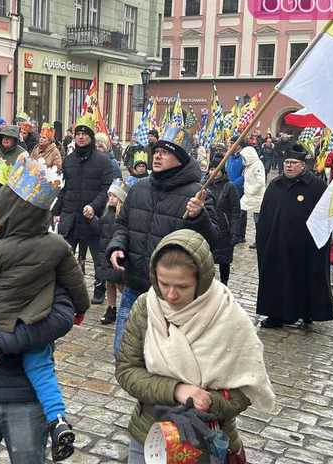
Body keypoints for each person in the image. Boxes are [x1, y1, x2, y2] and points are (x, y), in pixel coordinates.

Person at [0, 157, 90, 461]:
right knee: (40, 369)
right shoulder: (55, 246)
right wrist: (82, 309)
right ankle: (58, 420)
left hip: (22, 397)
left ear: (5, 212)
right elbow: (78, 290)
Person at [115, 229, 275, 464]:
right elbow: (127, 370)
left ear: (201, 281)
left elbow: (247, 389)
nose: (170, 294)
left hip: (209, 438)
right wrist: (177, 390)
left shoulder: (229, 316)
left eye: (181, 286)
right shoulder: (146, 307)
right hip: (150, 432)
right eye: (163, 283)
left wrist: (209, 402)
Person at [107, 125, 218, 355]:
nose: (157, 155)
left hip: (172, 296)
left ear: (180, 159)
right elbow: (122, 225)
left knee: (164, 360)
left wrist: (199, 216)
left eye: (166, 152)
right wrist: (117, 246)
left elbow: (214, 241)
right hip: (135, 286)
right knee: (123, 353)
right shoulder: (139, 188)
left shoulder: (198, 194)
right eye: (156, 151)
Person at [255, 144, 333, 329]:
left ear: (302, 165)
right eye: (287, 163)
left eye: (293, 163)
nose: (289, 166)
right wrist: (263, 239)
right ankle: (276, 315)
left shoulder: (316, 186)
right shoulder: (275, 185)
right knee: (277, 279)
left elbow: (324, 216)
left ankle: (307, 312)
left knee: (305, 279)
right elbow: (266, 214)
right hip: (277, 244)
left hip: (305, 246)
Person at [54, 114, 114, 306]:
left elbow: (107, 188)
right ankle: (67, 289)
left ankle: (99, 287)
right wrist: (55, 211)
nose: (80, 137)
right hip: (70, 217)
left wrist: (94, 206)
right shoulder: (69, 160)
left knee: (98, 258)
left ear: (91, 137)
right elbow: (64, 188)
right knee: (65, 257)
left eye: (84, 133)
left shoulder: (103, 161)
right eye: (78, 133)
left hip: (92, 217)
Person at [96, 178, 134, 325]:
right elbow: (100, 230)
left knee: (119, 284)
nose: (110, 198)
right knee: (109, 283)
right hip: (106, 253)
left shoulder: (123, 215)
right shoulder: (106, 212)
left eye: (113, 196)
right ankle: (111, 308)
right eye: (109, 195)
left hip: (117, 255)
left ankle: (130, 305)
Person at [205, 153, 240, 285]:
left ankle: (224, 284)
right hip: (207, 229)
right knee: (207, 261)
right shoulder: (204, 185)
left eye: (217, 169)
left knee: (224, 261)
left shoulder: (229, 186)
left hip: (224, 230)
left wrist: (235, 232)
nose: (214, 172)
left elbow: (236, 211)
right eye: (212, 169)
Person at [240, 145, 266, 250]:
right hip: (248, 196)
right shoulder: (248, 165)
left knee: (258, 221)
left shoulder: (257, 165)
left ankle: (259, 240)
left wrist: (251, 191)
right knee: (241, 212)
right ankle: (240, 235)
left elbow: (260, 182)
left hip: (257, 197)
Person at [224, 138, 245, 244]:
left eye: (232, 143)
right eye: (230, 143)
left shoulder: (244, 157)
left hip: (238, 188)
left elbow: (244, 175)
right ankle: (231, 231)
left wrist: (234, 184)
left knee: (240, 211)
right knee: (229, 210)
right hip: (228, 185)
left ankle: (240, 234)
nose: (230, 145)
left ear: (239, 145)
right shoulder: (229, 156)